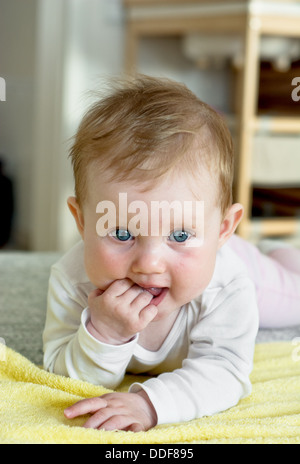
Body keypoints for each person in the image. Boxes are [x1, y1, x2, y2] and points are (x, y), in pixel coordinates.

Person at [43, 75, 300, 432]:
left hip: (240, 265)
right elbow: (59, 370)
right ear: (83, 222)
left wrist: (152, 404)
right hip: (203, 253)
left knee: (293, 295)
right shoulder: (73, 280)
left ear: (223, 229)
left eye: (179, 234)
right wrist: (102, 334)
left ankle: (280, 254)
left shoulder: (227, 286)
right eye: (121, 233)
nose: (148, 264)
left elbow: (225, 371)